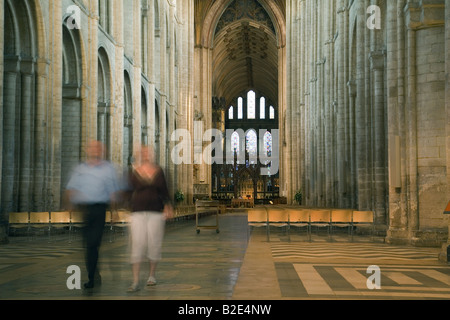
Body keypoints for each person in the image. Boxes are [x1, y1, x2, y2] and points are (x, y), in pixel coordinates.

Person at [65, 140, 120, 289]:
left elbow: (113, 191)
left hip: (99, 209)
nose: (95, 151)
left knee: (94, 242)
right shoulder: (80, 169)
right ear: (88, 150)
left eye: (98, 148)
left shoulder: (108, 169)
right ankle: (93, 273)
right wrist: (70, 203)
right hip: (85, 210)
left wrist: (114, 211)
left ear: (102, 151)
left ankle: (92, 275)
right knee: (88, 244)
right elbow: (71, 187)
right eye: (92, 148)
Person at [127, 146, 173, 292]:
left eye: (149, 152)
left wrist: (168, 205)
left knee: (154, 243)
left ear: (153, 155)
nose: (146, 155)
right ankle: (135, 280)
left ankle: (152, 275)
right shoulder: (135, 171)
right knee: (137, 244)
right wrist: (121, 208)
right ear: (140, 155)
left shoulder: (159, 171)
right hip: (138, 212)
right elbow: (128, 191)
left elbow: (164, 191)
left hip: (155, 212)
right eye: (143, 153)